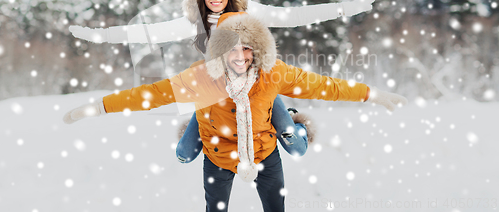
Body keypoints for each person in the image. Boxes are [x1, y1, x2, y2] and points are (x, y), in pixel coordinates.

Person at [63, 11, 408, 212]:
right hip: (218, 156)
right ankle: (194, 129)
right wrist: (97, 107)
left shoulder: (275, 74)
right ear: (219, 51)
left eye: (247, 48)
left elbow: (327, 86)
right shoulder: (201, 78)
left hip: (265, 153)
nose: (240, 56)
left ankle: (290, 121)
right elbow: (150, 95)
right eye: (232, 49)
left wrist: (373, 95)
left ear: (258, 49)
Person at [69, 0, 377, 165]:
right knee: (184, 154)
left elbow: (297, 16)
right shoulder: (195, 22)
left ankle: (286, 118)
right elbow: (147, 32)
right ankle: (212, 131)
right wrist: (99, 36)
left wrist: (347, 8)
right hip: (213, 91)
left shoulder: (252, 11)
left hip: (256, 89)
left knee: (296, 148)